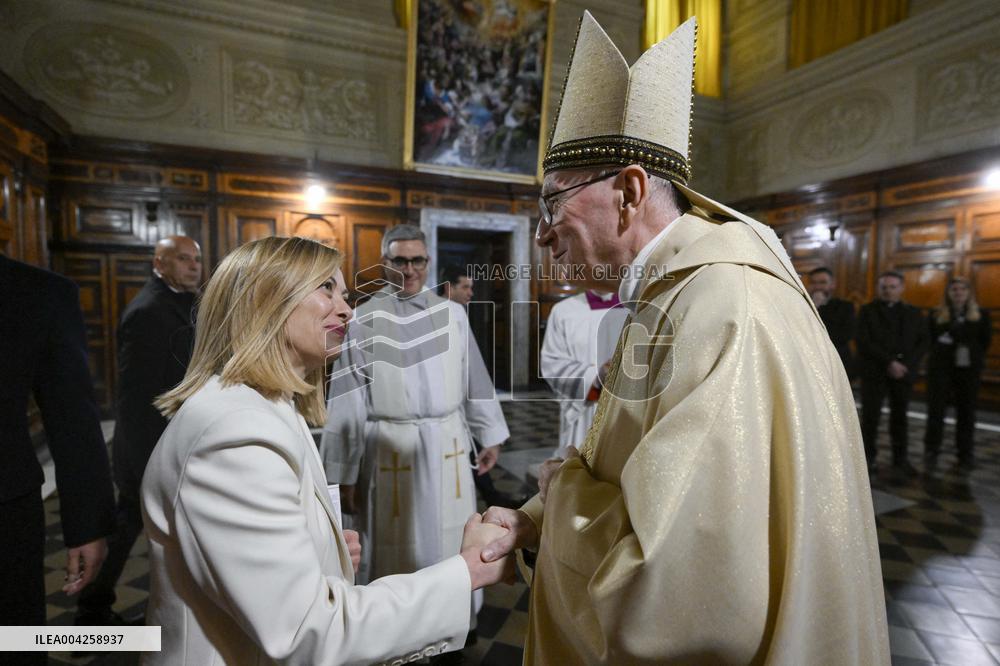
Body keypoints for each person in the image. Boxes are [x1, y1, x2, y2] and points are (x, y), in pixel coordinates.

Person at [478, 14, 889, 664]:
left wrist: (558, 498)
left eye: (553, 205)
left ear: (630, 192)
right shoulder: (675, 294)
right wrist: (531, 519)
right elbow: (629, 472)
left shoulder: (720, 308)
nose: (543, 235)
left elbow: (676, 588)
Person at [141, 236, 512, 665]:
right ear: (268, 301)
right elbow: (306, 631)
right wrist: (468, 571)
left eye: (344, 292)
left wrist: (322, 549)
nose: (347, 309)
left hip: (444, 442)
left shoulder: (268, 406)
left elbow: (474, 377)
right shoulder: (236, 438)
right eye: (326, 289)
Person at [320, 224, 510, 587]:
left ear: (428, 261)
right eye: (400, 261)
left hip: (447, 442)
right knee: (396, 546)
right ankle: (400, 629)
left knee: (450, 538)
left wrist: (490, 435)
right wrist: (343, 473)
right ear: (385, 262)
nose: (409, 270)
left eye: (417, 261)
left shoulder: (453, 314)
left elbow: (474, 375)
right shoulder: (362, 320)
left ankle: (452, 622)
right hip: (390, 447)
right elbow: (347, 397)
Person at [76, 235, 201, 625]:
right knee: (128, 529)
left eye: (197, 259)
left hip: (170, 442)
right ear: (159, 264)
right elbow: (134, 399)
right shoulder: (148, 311)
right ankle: (92, 616)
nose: (194, 266)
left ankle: (96, 610)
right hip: (149, 448)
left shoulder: (182, 304)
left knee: (133, 530)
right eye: (183, 259)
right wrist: (148, 462)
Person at [0, 254, 115, 665]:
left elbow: (72, 416)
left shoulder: (37, 292)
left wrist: (87, 526)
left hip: (6, 515)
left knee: (12, 645)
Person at [540, 290, 627, 457]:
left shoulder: (641, 308)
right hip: (584, 408)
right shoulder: (564, 311)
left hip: (627, 412)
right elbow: (552, 364)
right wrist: (594, 377)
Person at [857, 271, 928, 475]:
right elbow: (864, 341)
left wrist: (905, 365)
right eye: (884, 287)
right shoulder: (867, 311)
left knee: (900, 418)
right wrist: (889, 362)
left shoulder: (914, 313)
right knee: (871, 418)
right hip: (875, 372)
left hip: (903, 373)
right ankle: (868, 459)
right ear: (880, 289)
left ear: (901, 288)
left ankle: (900, 459)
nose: (888, 291)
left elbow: (923, 342)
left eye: (893, 287)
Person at [924, 278, 992, 470]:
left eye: (962, 289)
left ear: (969, 292)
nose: (958, 293)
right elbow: (930, 340)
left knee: (966, 412)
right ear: (948, 293)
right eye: (954, 289)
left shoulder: (980, 315)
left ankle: (965, 453)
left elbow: (984, 342)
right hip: (941, 369)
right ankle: (932, 449)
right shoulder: (937, 314)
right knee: (936, 411)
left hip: (968, 370)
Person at [807, 266, 855, 375]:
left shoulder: (845, 307)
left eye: (823, 282)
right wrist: (815, 307)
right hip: (810, 361)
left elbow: (846, 334)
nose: (818, 287)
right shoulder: (802, 307)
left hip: (837, 361)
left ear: (832, 285)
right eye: (814, 283)